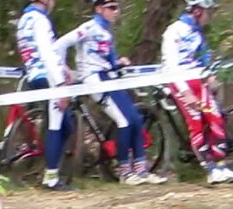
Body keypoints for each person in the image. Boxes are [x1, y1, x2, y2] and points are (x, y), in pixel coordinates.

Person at [56, 0, 167, 185]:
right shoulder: (88, 27)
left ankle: (141, 170)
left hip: (108, 77)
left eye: (117, 7)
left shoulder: (105, 31)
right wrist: (63, 70)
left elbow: (106, 57)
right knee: (123, 122)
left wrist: (118, 62)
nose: (116, 11)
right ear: (99, 9)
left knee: (136, 120)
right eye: (112, 8)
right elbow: (60, 44)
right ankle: (125, 172)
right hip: (95, 80)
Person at [160, 0, 233, 184]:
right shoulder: (173, 31)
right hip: (181, 83)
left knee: (215, 118)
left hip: (198, 81)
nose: (210, 15)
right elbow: (171, 66)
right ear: (197, 11)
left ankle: (222, 167)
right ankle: (211, 169)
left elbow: (204, 58)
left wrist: (211, 76)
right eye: (208, 11)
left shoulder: (198, 32)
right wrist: (185, 92)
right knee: (196, 124)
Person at [16, 0, 76, 191]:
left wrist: (62, 66)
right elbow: (46, 54)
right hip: (48, 77)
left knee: (65, 126)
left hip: (36, 75)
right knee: (55, 126)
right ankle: (51, 178)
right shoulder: (40, 20)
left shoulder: (24, 19)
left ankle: (52, 171)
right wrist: (59, 84)